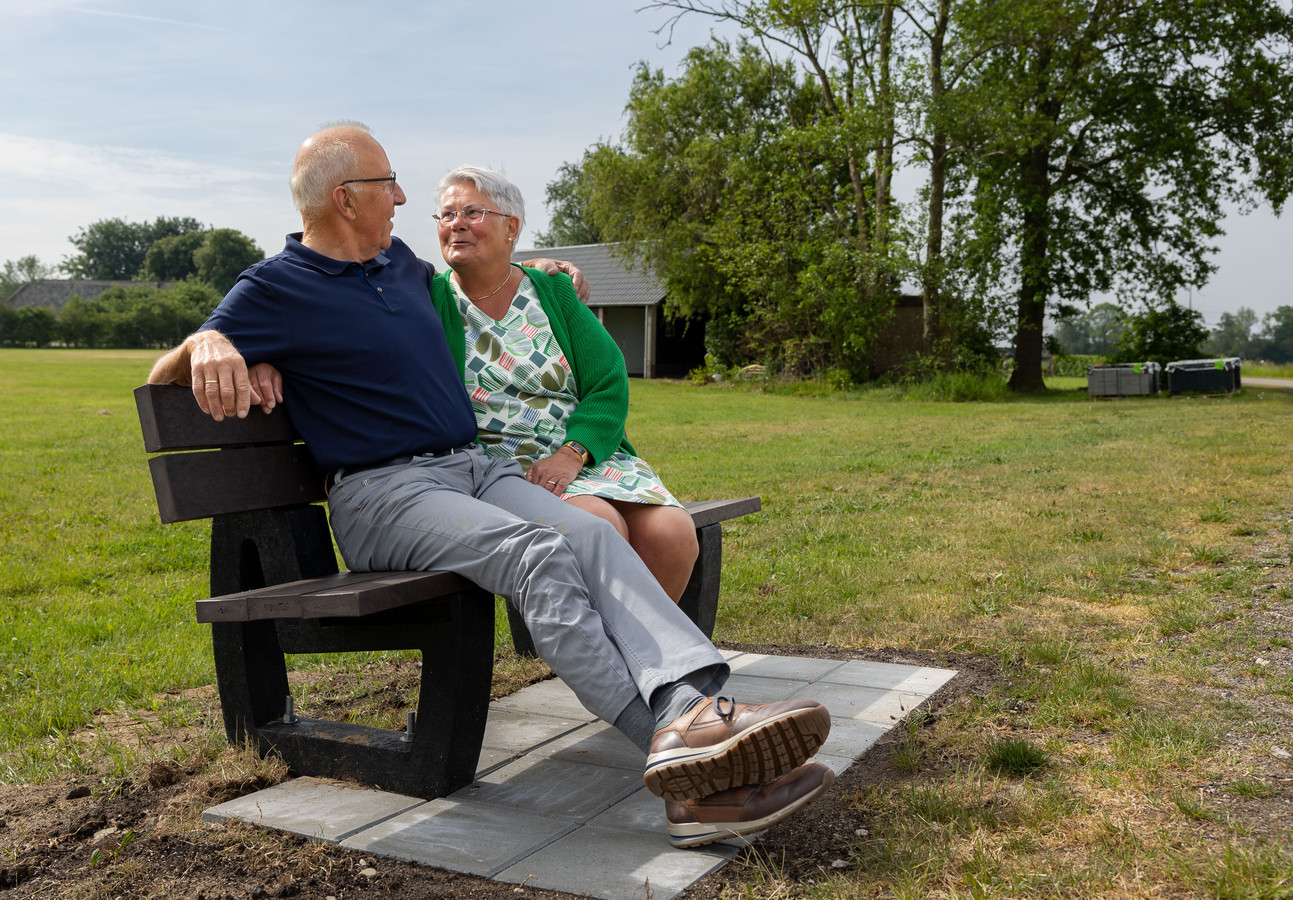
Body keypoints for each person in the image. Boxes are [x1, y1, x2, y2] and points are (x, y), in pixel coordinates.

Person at [147, 121, 834, 847]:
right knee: (537, 553)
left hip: (470, 468)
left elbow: (481, 278)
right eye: (388, 186)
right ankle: (673, 736)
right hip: (385, 495)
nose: (403, 199)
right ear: (347, 199)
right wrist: (211, 341)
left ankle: (701, 721)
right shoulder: (273, 287)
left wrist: (537, 266)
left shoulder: (401, 265)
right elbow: (166, 377)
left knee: (591, 536)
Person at [427, 165, 699, 602]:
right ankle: (615, 666)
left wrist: (573, 454)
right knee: (601, 527)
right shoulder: (429, 297)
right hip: (505, 470)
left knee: (672, 531)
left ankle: (643, 661)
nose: (455, 223)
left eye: (472, 212)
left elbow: (608, 381)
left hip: (582, 456)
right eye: (446, 214)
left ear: (510, 226)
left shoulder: (552, 291)